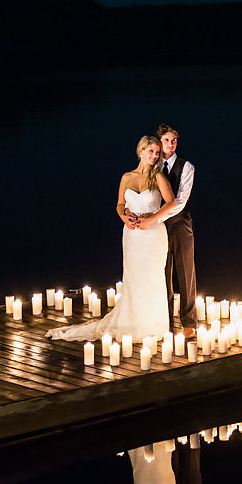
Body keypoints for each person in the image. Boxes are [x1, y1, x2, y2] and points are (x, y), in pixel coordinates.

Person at [46, 135, 175, 342]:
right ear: (140, 151)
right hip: (132, 236)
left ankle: (153, 326)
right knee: (134, 279)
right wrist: (124, 217)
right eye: (151, 151)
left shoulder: (158, 177)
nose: (154, 156)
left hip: (153, 235)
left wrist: (152, 218)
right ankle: (132, 322)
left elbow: (171, 203)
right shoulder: (127, 177)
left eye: (157, 153)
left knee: (152, 278)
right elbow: (118, 204)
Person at [150, 123, 198, 340]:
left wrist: (155, 218)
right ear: (159, 142)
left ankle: (189, 322)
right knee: (163, 272)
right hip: (158, 225)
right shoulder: (153, 165)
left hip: (180, 223)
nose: (170, 144)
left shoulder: (186, 166)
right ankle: (166, 321)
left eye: (174, 140)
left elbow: (180, 201)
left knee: (185, 271)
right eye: (166, 140)